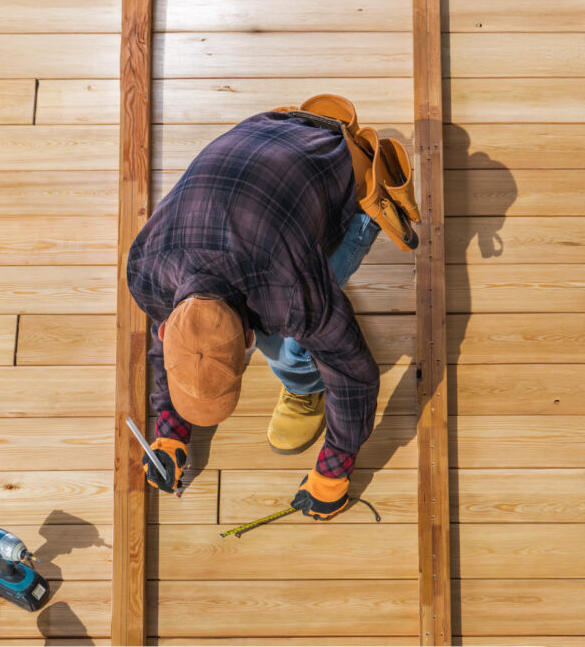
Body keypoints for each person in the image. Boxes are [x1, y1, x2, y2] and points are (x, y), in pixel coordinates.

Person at [126, 96, 415, 521]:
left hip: (341, 167)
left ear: (247, 339)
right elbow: (169, 351)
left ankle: (304, 389)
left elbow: (354, 373)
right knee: (292, 325)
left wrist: (335, 469)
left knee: (289, 348)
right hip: (267, 132)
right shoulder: (146, 270)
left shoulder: (288, 290)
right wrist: (169, 430)